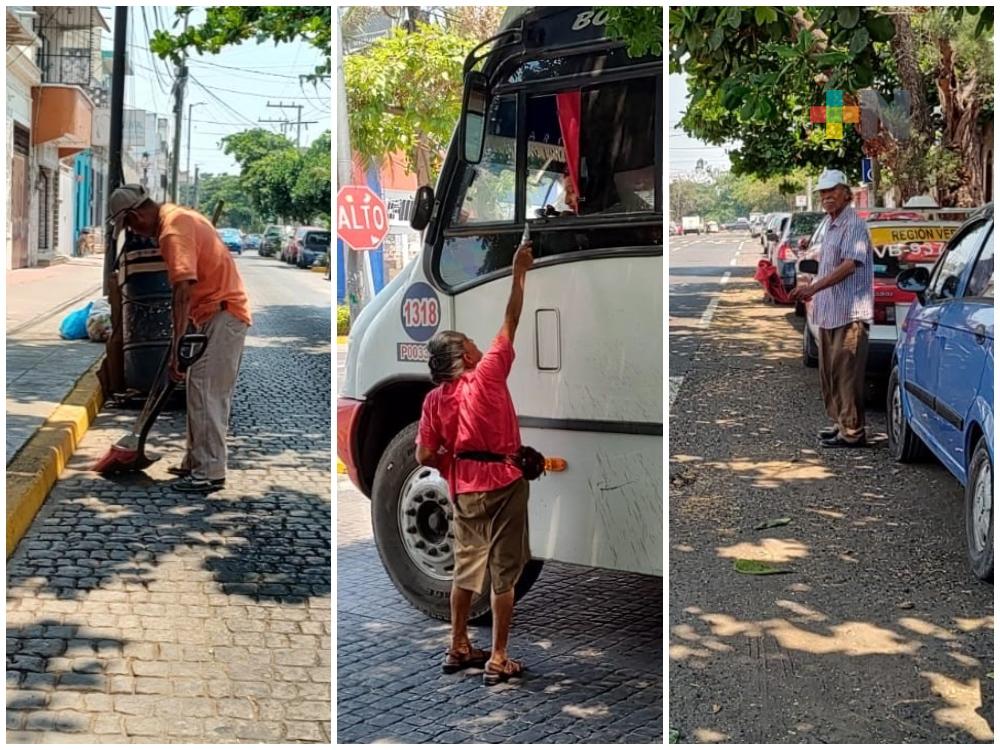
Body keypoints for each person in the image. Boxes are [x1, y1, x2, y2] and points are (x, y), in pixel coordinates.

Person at [415, 241, 534, 686]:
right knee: (504, 575)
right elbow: (512, 320)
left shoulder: (433, 400)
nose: (478, 347)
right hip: (505, 481)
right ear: (466, 356)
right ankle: (499, 657)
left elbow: (424, 455)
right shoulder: (487, 375)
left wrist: (453, 461)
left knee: (465, 569)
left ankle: (458, 645)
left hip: (464, 488)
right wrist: (519, 273)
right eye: (471, 344)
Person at [107, 184, 252, 492]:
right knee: (197, 391)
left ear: (136, 215)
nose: (134, 232)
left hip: (221, 315)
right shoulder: (178, 216)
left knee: (207, 393)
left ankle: (210, 472)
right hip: (212, 313)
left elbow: (182, 290)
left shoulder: (172, 231)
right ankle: (194, 462)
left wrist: (176, 347)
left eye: (129, 224)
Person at [789, 169, 874, 448]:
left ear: (846, 194)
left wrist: (813, 288)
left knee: (847, 374)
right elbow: (826, 265)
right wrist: (808, 288)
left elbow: (850, 265)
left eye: (832, 192)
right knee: (830, 374)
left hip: (849, 313)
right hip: (828, 311)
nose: (826, 198)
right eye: (823, 193)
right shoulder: (830, 224)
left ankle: (853, 431)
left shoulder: (853, 225)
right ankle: (840, 424)